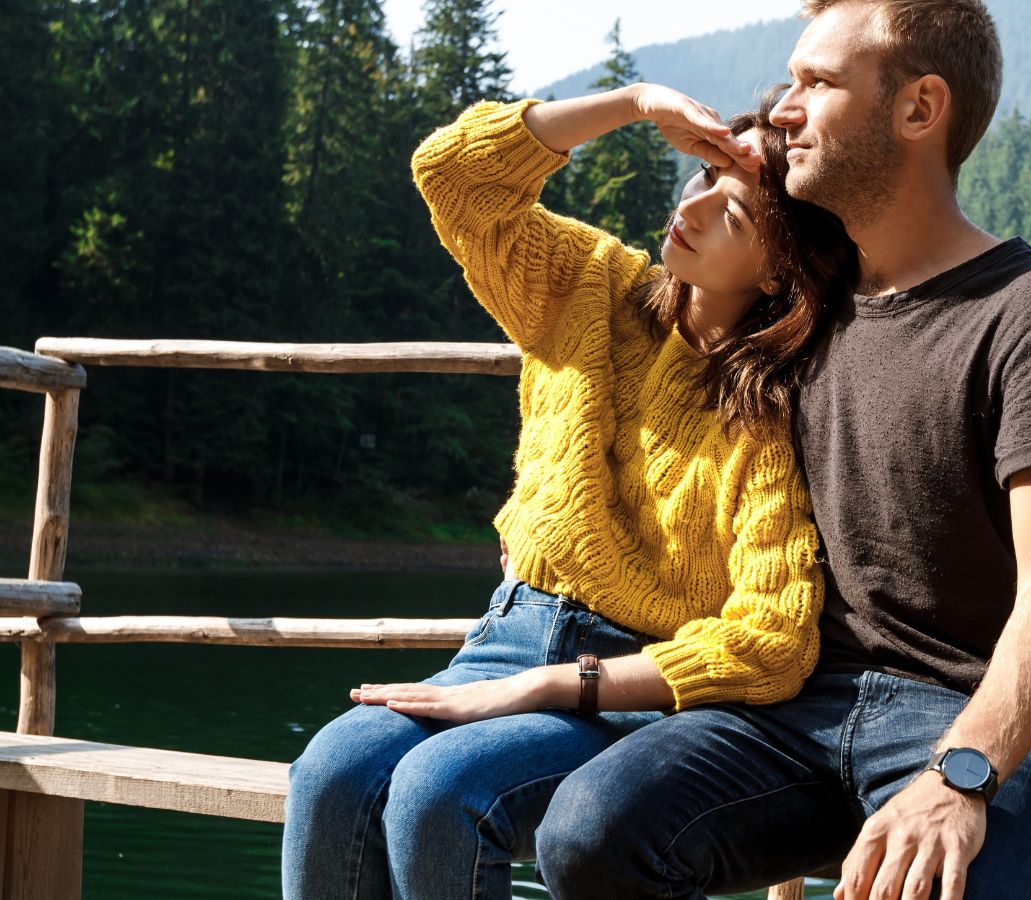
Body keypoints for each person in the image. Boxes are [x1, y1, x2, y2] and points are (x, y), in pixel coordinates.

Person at [534, 1, 1031, 899]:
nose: (782, 108)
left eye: (817, 83)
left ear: (920, 108)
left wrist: (962, 775)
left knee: (945, 877)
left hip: (973, 720)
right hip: (790, 712)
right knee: (589, 829)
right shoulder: (801, 312)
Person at [281, 82, 858, 899]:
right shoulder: (591, 283)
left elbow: (772, 639)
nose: (691, 209)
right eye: (703, 178)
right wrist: (634, 103)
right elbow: (453, 176)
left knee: (439, 793)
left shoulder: (763, 414)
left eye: (732, 214)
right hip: (507, 637)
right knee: (330, 774)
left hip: (632, 688)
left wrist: (553, 685)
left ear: (777, 271)